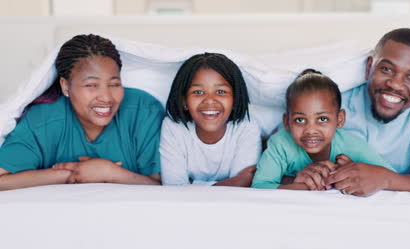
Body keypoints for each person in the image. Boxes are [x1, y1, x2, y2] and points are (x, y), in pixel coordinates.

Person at [0, 34, 164, 191]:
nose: (106, 97)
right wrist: (70, 175)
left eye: (114, 84)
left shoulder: (143, 110)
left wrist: (110, 173)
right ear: (65, 86)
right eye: (91, 85)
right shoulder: (43, 119)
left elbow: (164, 185)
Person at [314, 28, 410, 196]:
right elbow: (281, 151)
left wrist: (384, 178)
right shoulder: (333, 103)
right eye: (387, 69)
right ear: (368, 68)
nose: (395, 84)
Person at [251, 69, 394, 190]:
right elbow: (259, 187)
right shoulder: (280, 143)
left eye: (322, 119)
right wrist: (296, 182)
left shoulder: (352, 145)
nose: (310, 130)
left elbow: (390, 176)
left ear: (340, 119)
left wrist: (356, 172)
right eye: (300, 120)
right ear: (287, 122)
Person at [160, 53, 262, 186]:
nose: (209, 100)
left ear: (235, 99)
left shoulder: (246, 127)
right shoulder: (173, 127)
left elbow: (241, 189)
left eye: (220, 92)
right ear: (184, 99)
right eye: (198, 92)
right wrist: (235, 181)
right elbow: (174, 187)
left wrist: (193, 185)